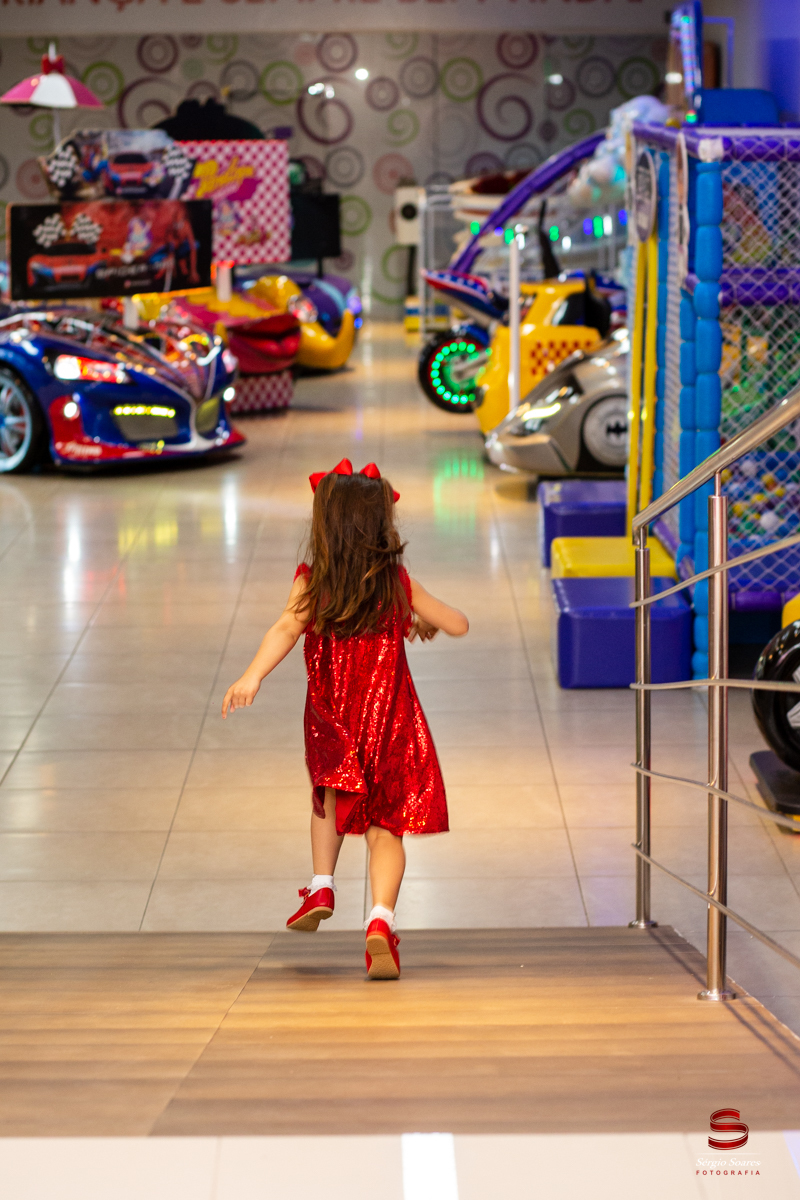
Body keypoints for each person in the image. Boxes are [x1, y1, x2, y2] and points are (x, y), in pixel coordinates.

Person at [221, 458, 469, 980]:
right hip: (391, 723)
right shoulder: (395, 582)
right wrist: (419, 616)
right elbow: (458, 624)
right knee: (386, 829)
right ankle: (380, 920)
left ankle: (321, 884)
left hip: (334, 720)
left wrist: (251, 676)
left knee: (328, 798)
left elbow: (284, 629)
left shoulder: (312, 583)